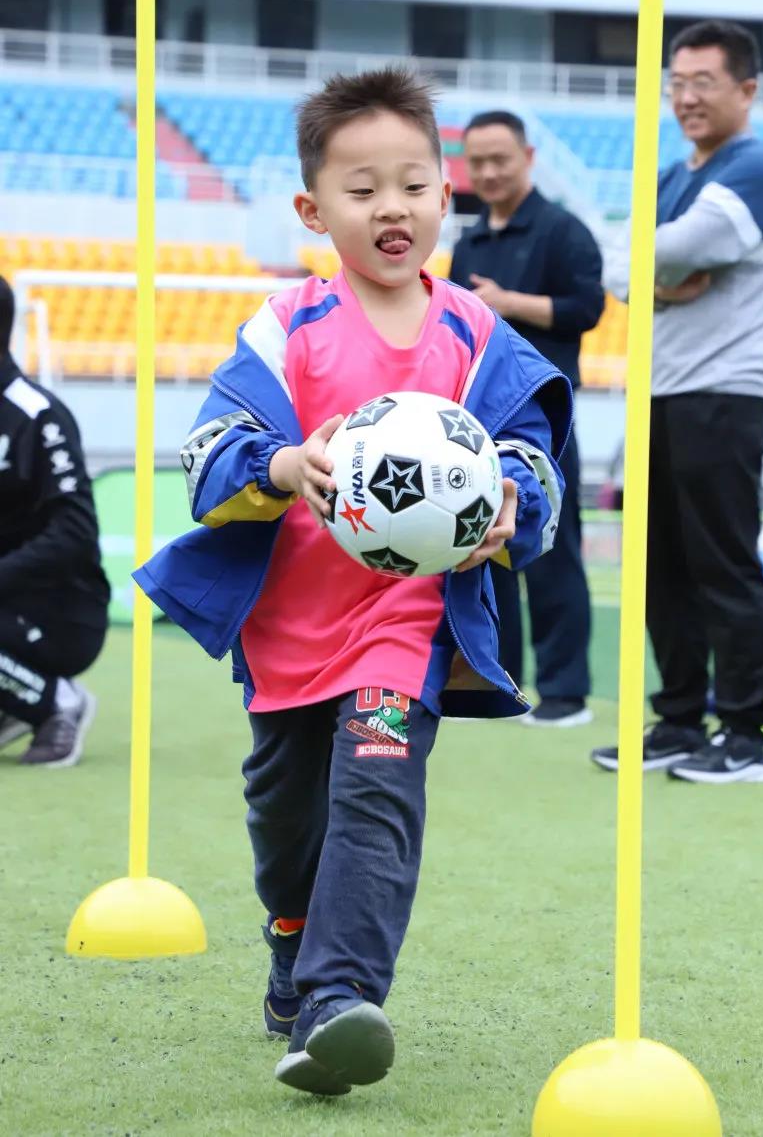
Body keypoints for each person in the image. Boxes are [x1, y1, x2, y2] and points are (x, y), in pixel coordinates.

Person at [135, 68, 571, 1099]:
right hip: (290, 629)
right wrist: (284, 465)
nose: (392, 208)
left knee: (377, 792)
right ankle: (292, 940)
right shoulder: (284, 327)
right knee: (286, 817)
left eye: (413, 185)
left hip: (405, 626)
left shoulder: (479, 336)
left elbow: (535, 458)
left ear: (445, 196)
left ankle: (337, 1001)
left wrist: (513, 501)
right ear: (313, 209)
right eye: (363, 189)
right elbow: (208, 457)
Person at [592, 19, 763, 786]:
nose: (686, 98)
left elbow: (667, 250)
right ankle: (678, 720)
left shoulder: (757, 166)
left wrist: (653, 271)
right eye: (677, 83)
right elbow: (619, 267)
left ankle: (742, 734)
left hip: (722, 394)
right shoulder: (671, 176)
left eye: (704, 82)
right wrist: (661, 278)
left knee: (723, 566)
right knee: (659, 568)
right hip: (662, 392)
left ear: (747, 89)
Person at [450, 109, 604, 728]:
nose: (488, 172)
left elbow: (587, 308)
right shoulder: (468, 242)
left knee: (553, 552)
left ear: (529, 158)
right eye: (477, 162)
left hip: (545, 421)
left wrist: (506, 303)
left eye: (500, 159)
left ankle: (565, 694)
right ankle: (501, 683)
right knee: (486, 549)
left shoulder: (564, 231)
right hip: (476, 426)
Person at [0, 275, 108, 767]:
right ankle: (17, 699)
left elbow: (74, 533)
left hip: (61, 611)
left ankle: (56, 703)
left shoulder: (38, 416)